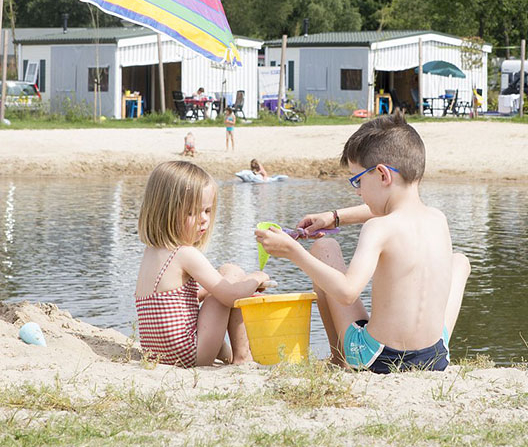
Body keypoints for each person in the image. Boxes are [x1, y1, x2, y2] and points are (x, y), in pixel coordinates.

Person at [255, 112, 471, 374]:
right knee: (459, 262)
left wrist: (294, 252)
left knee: (325, 248)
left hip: (378, 358)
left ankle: (339, 359)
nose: (357, 191)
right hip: (436, 356)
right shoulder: (438, 219)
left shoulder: (378, 228)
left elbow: (347, 292)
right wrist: (334, 218)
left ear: (382, 175)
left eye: (358, 180)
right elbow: (392, 212)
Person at [133, 161, 271, 367]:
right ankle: (243, 358)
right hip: (188, 354)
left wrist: (216, 290)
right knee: (231, 273)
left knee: (220, 280)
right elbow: (232, 295)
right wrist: (257, 277)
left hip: (155, 353)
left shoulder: (151, 251)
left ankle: (229, 355)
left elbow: (176, 300)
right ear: (164, 212)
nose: (204, 219)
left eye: (207, 210)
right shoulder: (185, 253)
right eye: (192, 213)